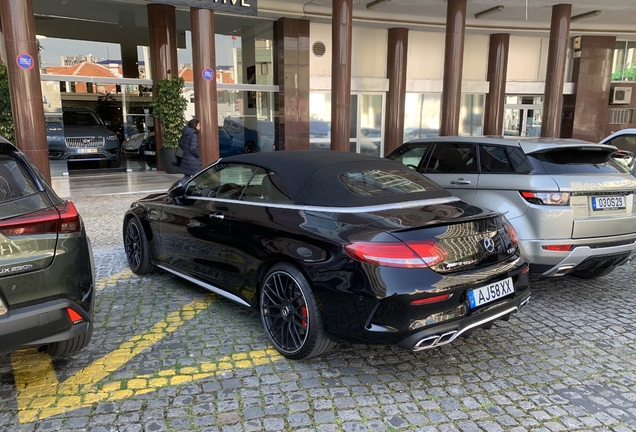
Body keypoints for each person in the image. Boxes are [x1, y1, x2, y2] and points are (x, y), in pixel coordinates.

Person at [179, 118, 201, 184]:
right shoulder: (193, 134)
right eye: (199, 125)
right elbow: (193, 148)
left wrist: (186, 151)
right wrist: (198, 155)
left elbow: (180, 144)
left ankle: (180, 186)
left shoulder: (185, 133)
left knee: (187, 176)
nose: (200, 127)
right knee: (197, 176)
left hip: (186, 158)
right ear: (195, 125)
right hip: (193, 160)